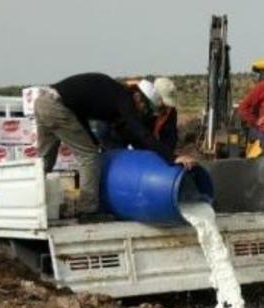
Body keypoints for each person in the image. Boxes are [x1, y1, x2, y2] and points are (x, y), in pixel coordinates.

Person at [34, 73, 196, 216]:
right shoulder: (124, 98)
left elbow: (80, 113)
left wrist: (93, 139)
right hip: (56, 106)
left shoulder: (114, 94)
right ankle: (88, 210)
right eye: (145, 108)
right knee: (89, 157)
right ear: (140, 98)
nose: (142, 111)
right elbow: (141, 133)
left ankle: (33, 203)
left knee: (45, 161)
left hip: (43, 101)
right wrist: (172, 158)